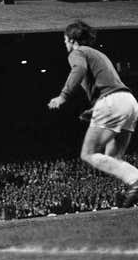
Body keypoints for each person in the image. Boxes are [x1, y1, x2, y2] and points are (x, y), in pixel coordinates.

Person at [48, 20, 138, 207]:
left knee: (88, 154)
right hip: (129, 102)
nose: (65, 44)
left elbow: (78, 69)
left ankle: (136, 180)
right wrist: (93, 110)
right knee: (112, 159)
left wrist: (63, 96)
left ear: (72, 40)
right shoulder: (99, 55)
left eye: (65, 40)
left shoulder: (77, 52)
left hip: (112, 102)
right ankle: (132, 187)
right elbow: (109, 84)